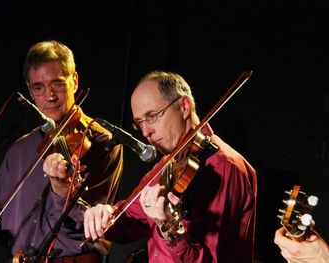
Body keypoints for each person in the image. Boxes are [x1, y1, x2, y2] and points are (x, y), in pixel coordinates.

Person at [81, 70, 257, 262]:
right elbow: (131, 216)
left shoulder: (224, 167)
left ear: (184, 106)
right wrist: (106, 214)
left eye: (152, 116)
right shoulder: (170, 163)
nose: (146, 132)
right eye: (139, 123)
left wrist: (167, 229)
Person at [0, 40, 123, 262]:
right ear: (30, 90)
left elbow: (90, 226)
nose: (50, 96)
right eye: (39, 87)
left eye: (58, 84)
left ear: (74, 81)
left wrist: (61, 190)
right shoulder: (20, 149)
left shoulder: (102, 143)